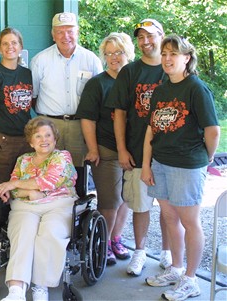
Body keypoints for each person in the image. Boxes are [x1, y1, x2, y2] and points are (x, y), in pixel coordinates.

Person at [141, 34, 220, 301]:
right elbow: (151, 129)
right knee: (170, 217)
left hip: (187, 165)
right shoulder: (161, 89)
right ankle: (176, 268)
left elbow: (213, 130)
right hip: (160, 163)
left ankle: (191, 279)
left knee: (189, 221)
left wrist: (206, 158)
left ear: (187, 58)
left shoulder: (196, 89)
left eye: (173, 54)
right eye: (164, 54)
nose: (167, 59)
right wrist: (146, 165)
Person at [106, 18, 171, 276]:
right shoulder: (130, 72)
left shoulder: (173, 67)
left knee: (168, 208)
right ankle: (140, 251)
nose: (145, 42)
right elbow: (119, 113)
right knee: (140, 206)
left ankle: (168, 253)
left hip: (169, 153)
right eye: (141, 37)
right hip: (136, 152)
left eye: (150, 36)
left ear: (161, 35)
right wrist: (122, 149)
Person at [0, 117, 78, 301]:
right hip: (26, 206)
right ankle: (17, 290)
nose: (43, 139)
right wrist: (31, 193)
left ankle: (41, 286)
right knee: (23, 232)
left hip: (59, 205)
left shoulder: (62, 156)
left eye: (48, 135)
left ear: (55, 139)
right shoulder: (23, 160)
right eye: (38, 136)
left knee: (49, 232)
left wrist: (19, 185)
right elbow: (13, 191)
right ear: (31, 142)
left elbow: (47, 181)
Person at [76, 32, 135, 265]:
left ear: (128, 53)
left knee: (127, 199)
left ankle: (115, 239)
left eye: (118, 52)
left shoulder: (135, 81)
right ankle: (103, 242)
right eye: (108, 53)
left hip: (134, 151)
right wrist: (92, 148)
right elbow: (87, 119)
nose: (113, 57)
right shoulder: (98, 84)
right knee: (110, 202)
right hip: (106, 150)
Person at [0, 27, 33, 261]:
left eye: (14, 43)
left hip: (26, 142)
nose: (10, 47)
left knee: (22, 190)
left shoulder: (27, 74)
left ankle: (17, 238)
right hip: (1, 141)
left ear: (20, 46)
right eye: (5, 43)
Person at [30, 12, 103, 171]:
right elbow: (33, 96)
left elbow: (99, 97)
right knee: (47, 171)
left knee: (77, 172)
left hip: (80, 126)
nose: (65, 36)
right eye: (60, 31)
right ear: (53, 35)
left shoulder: (91, 60)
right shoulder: (39, 61)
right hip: (48, 125)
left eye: (70, 31)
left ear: (77, 32)